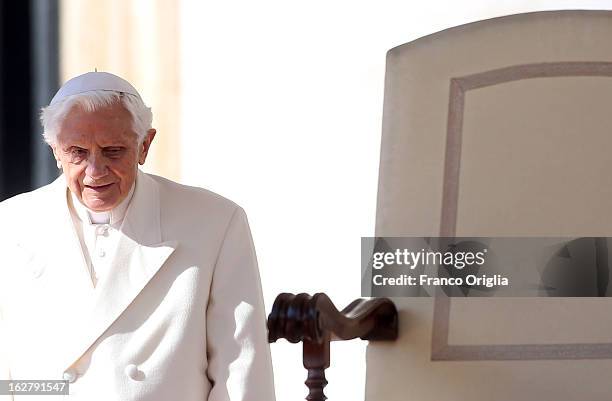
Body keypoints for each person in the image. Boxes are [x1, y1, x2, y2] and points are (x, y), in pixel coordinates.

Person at [0, 72, 276, 401]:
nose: (95, 171)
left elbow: (241, 369)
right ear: (56, 151)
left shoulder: (215, 222)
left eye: (113, 151)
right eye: (77, 152)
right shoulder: (11, 223)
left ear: (144, 145)